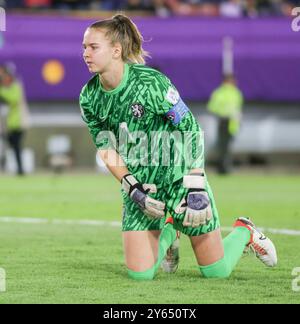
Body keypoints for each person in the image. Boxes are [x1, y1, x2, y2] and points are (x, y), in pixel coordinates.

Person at [80, 14, 277, 281]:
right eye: (84, 47)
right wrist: (132, 188)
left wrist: (195, 183)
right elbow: (106, 148)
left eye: (93, 47)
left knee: (215, 272)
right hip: (142, 185)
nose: (86, 53)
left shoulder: (150, 83)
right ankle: (171, 229)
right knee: (141, 276)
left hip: (180, 178)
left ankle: (245, 231)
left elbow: (191, 128)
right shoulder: (89, 97)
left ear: (116, 50)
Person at [207, 74, 244, 174]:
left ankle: (223, 167)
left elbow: (212, 107)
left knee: (223, 146)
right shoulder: (236, 93)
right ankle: (224, 168)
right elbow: (238, 109)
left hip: (225, 121)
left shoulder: (219, 92)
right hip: (230, 122)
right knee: (225, 146)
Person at [0, 64, 30, 175]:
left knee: (16, 147)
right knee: (12, 146)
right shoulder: (7, 88)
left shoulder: (15, 86)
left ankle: (20, 169)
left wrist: (1, 90)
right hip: (9, 124)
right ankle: (16, 168)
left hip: (18, 123)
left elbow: (13, 99)